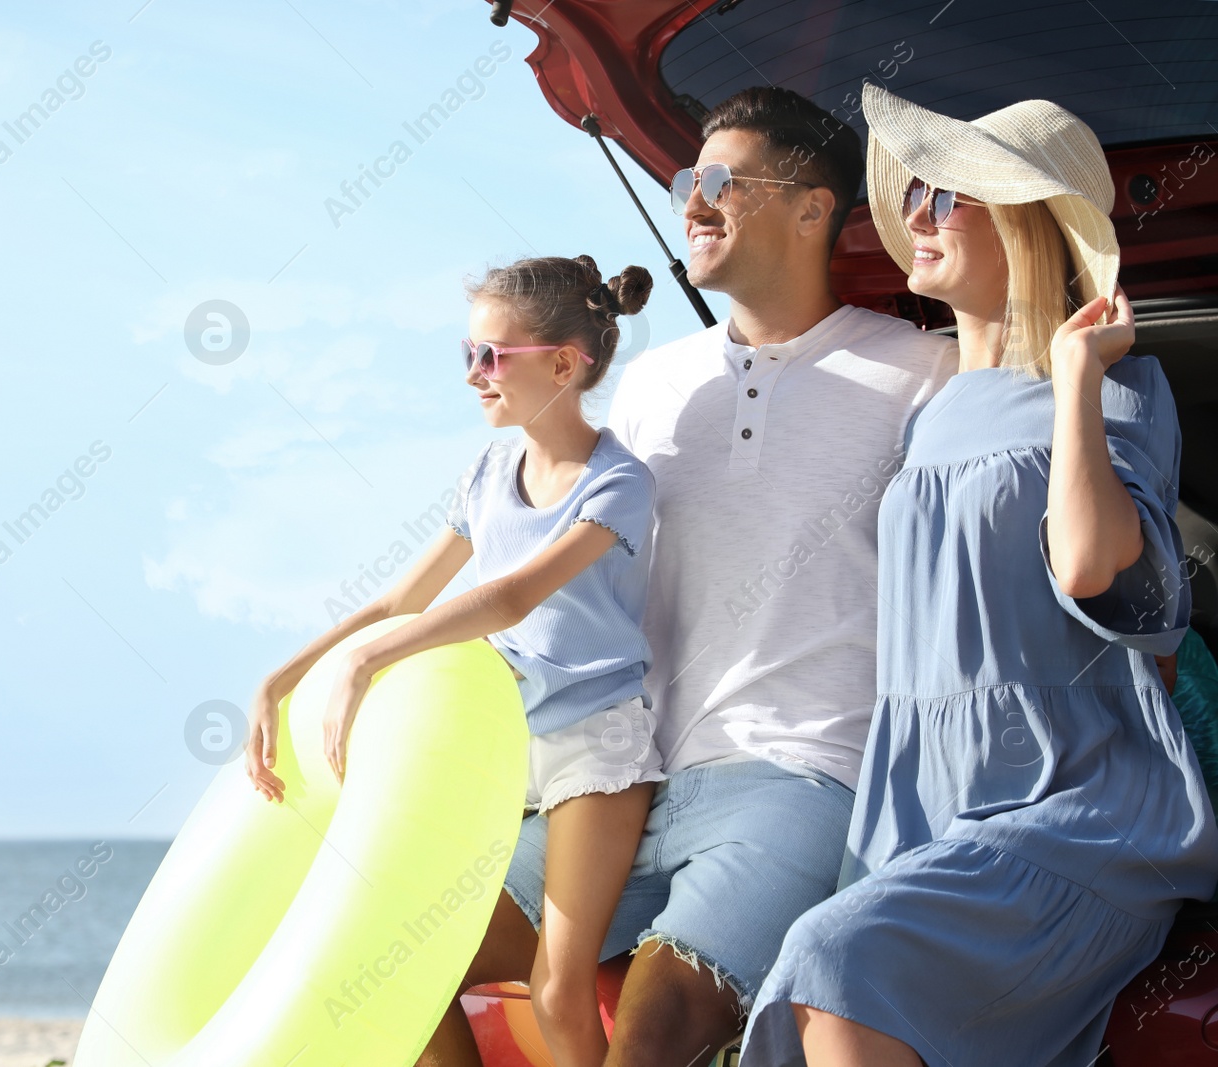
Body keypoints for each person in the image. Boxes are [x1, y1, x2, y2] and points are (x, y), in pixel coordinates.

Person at [419, 86, 958, 1067]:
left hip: (800, 775)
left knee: (654, 1027)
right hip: (630, 777)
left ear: (811, 205)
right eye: (682, 180)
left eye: (718, 180)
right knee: (397, 958)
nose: (691, 201)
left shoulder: (924, 372)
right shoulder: (657, 379)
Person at [738, 82, 1218, 1067]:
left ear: (1035, 224)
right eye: (912, 192)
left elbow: (1090, 565)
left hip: (1072, 806)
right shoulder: (928, 416)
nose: (916, 213)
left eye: (946, 196)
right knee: (813, 986)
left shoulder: (1120, 385)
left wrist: (1077, 377)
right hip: (919, 800)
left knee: (832, 958)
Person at [245, 254, 666, 1067]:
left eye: (491, 356)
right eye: (467, 354)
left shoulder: (617, 485)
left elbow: (511, 597)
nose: (474, 374)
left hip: (596, 750)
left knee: (557, 989)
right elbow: (397, 600)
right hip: (504, 747)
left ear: (563, 363)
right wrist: (281, 678)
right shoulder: (486, 474)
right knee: (406, 971)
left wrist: (375, 658)